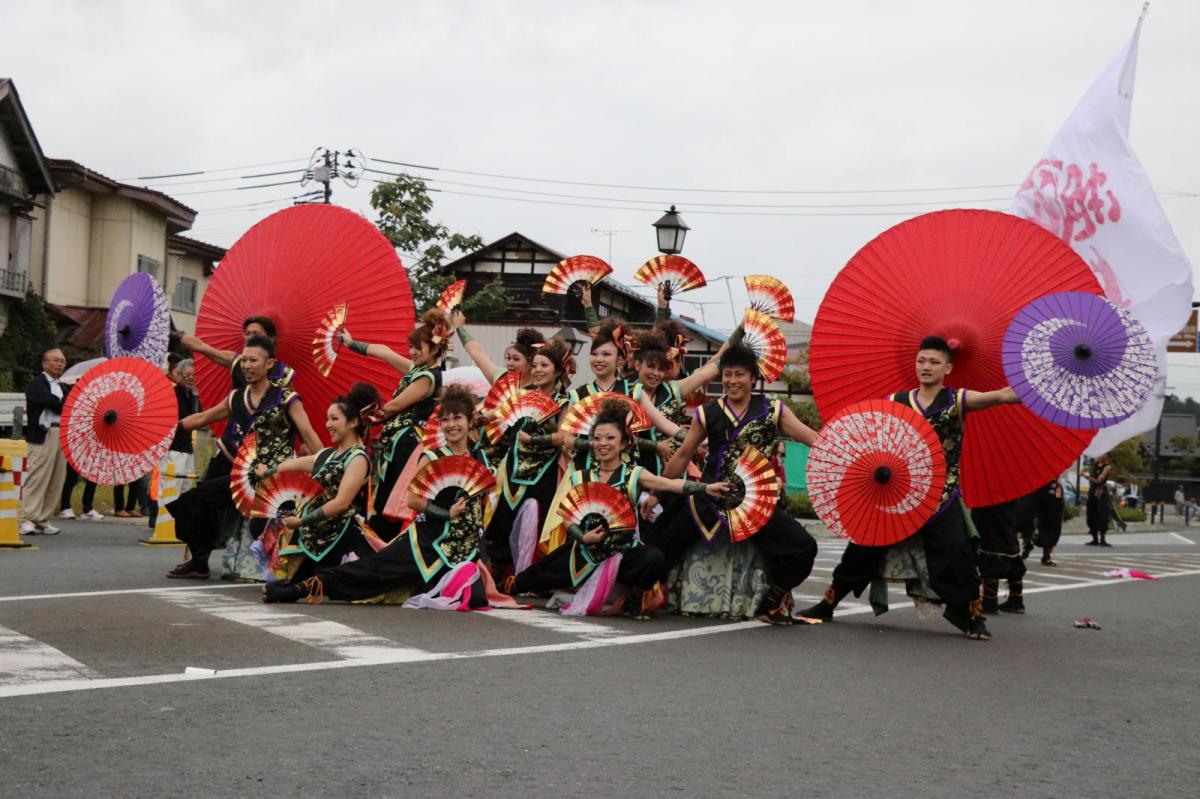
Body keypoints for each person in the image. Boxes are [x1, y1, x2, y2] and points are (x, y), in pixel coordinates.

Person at [801, 336, 1021, 640]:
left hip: (940, 496)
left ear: (948, 367)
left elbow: (999, 397)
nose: (926, 367)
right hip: (896, 493)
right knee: (862, 545)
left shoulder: (957, 400)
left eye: (934, 362)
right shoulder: (896, 401)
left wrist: (1028, 390)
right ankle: (828, 603)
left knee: (957, 552)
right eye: (922, 361)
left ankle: (972, 618)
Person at [263, 386, 504, 605]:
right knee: (366, 574)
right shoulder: (431, 457)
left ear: (470, 419)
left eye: (458, 418)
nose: (451, 424)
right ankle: (295, 590)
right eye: (445, 419)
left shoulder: (480, 459)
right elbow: (413, 501)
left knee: (472, 598)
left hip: (462, 552)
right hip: (425, 545)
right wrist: (446, 512)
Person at [647, 343, 821, 626]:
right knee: (656, 545)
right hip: (708, 499)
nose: (732, 381)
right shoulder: (708, 412)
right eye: (727, 374)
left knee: (804, 548)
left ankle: (771, 603)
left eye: (739, 374)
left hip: (755, 505)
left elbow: (811, 438)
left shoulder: (773, 410)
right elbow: (683, 455)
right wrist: (656, 492)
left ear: (753, 377)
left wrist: (844, 452)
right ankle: (642, 596)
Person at [506, 398, 730, 618]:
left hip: (623, 555)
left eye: (610, 438)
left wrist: (706, 488)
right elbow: (568, 518)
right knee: (529, 580)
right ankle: (512, 584)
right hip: (585, 552)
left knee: (654, 559)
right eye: (597, 438)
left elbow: (669, 484)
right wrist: (582, 538)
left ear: (623, 443)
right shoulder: (581, 477)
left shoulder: (633, 474)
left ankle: (634, 598)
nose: (603, 443)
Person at [164, 336, 323, 579]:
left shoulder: (286, 398)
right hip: (243, 479)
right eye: (244, 360)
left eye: (253, 360)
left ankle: (294, 570)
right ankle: (199, 561)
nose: (247, 365)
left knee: (264, 526)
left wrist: (328, 466)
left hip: (277, 481)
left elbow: (309, 435)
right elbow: (202, 418)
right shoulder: (236, 397)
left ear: (269, 363)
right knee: (191, 502)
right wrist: (166, 429)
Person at [339, 308, 450, 538]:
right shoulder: (416, 369)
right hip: (397, 443)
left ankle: (381, 542)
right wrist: (352, 344)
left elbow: (395, 406)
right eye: (411, 347)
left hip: (407, 445)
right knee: (382, 495)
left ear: (435, 348)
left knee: (390, 498)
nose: (412, 352)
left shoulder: (428, 377)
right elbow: (385, 352)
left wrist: (364, 417)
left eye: (418, 348)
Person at [255, 383, 379, 582]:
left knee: (313, 584)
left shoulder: (358, 458)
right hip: (317, 527)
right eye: (327, 418)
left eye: (334, 418)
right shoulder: (328, 454)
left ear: (354, 422)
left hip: (342, 530)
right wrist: (266, 472)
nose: (328, 424)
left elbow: (341, 503)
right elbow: (291, 465)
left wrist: (303, 521)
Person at [480, 336, 574, 573]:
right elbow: (497, 413)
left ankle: (526, 573)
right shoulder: (522, 393)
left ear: (558, 371)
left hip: (542, 471)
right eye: (535, 366)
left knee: (534, 519)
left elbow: (563, 436)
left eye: (545, 366)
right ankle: (498, 568)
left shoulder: (565, 401)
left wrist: (534, 439)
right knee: (502, 514)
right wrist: (476, 417)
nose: (538, 370)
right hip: (512, 466)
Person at [20, 348, 71, 536]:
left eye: (63, 361)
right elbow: (49, 401)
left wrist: (63, 403)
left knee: (56, 478)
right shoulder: (36, 383)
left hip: (62, 433)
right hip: (43, 433)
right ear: (45, 363)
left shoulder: (63, 386)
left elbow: (70, 404)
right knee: (37, 475)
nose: (60, 364)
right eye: (56, 360)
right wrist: (62, 403)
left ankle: (43, 518)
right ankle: (27, 518)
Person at [180, 315, 294, 390]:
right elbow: (201, 346)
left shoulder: (283, 372)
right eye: (247, 333)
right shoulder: (237, 361)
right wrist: (174, 336)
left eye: (255, 334)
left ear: (271, 338)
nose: (249, 338)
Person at [972, 499, 1026, 615]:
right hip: (1008, 505)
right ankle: (1016, 600)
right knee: (1010, 547)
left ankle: (989, 602)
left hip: (990, 510)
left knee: (991, 549)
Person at [1086, 455, 1114, 547]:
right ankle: (1094, 538)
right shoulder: (1094, 465)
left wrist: (1086, 476)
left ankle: (1102, 538)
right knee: (1091, 514)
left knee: (1102, 514)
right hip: (1093, 491)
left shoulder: (1107, 467)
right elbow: (1092, 477)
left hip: (1101, 492)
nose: (1100, 456)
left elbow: (1099, 480)